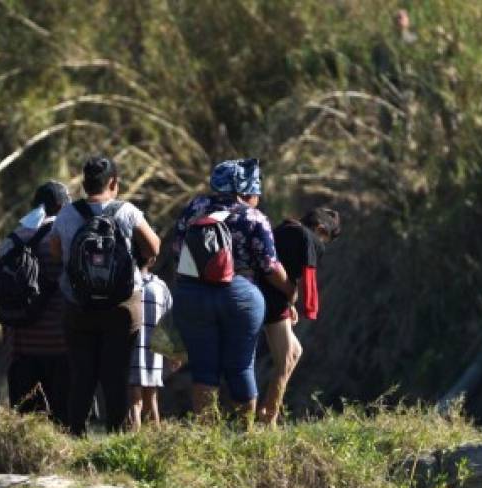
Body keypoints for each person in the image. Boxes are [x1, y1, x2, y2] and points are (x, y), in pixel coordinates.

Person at [172, 158, 295, 421]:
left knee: (203, 370)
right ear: (245, 189)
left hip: (194, 293)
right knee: (241, 367)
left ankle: (206, 438)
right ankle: (246, 434)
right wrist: (290, 290)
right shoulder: (253, 217)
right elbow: (270, 267)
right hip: (240, 295)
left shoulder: (194, 207)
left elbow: (176, 249)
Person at [49, 156, 160, 436]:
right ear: (113, 183)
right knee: (117, 374)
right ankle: (117, 436)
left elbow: (55, 253)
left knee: (82, 374)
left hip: (79, 305)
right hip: (121, 307)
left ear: (85, 184)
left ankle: (76, 434)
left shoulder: (67, 214)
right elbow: (153, 247)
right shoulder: (127, 212)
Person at [257, 208, 342, 426]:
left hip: (265, 294)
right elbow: (308, 276)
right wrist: (309, 307)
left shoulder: (284, 228)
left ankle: (268, 409)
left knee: (295, 351)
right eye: (325, 240)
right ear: (320, 229)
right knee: (286, 357)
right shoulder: (309, 237)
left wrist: (290, 303)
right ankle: (269, 418)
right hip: (273, 300)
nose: (322, 245)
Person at [0, 181, 72, 427]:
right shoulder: (65, 240)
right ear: (63, 207)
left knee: (25, 429)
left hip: (20, 352)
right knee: (64, 426)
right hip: (61, 348)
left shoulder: (11, 241)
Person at [128, 255, 172, 430]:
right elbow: (170, 324)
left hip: (130, 352)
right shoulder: (161, 287)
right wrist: (173, 354)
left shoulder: (125, 284)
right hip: (153, 356)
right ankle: (155, 443)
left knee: (134, 402)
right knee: (152, 400)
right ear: (153, 260)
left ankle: (132, 445)